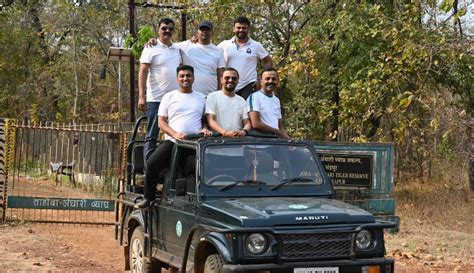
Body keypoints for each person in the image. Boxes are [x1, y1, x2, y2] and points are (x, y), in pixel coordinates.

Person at [135, 65, 212, 209]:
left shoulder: (201, 98)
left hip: (193, 143)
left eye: (188, 76)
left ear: (193, 78)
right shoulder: (169, 96)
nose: (185, 79)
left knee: (193, 170)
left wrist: (205, 129)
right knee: (152, 163)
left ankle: (194, 203)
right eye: (182, 76)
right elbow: (161, 122)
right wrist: (175, 134)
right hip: (172, 141)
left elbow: (204, 120)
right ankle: (148, 198)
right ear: (177, 79)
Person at [138, 18, 182, 161]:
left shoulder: (178, 49)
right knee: (152, 135)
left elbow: (194, 42)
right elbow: (143, 72)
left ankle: (171, 168)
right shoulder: (150, 47)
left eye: (170, 28)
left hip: (175, 100)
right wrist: (141, 96)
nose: (167, 31)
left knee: (175, 135)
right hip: (155, 99)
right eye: (164, 28)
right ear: (158, 30)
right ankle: (148, 169)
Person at [146, 20, 225, 96]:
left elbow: (221, 75)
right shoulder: (185, 46)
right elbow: (167, 44)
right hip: (190, 95)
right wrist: (154, 40)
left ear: (212, 33)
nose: (204, 32)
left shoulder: (218, 51)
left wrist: (220, 95)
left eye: (207, 30)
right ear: (197, 32)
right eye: (202, 29)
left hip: (211, 95)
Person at [218, 16, 273, 99]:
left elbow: (268, 61)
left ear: (248, 29)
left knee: (247, 111)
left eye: (244, 28)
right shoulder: (224, 44)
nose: (241, 30)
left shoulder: (256, 45)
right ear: (233, 28)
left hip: (248, 86)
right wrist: (195, 42)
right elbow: (211, 53)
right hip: (229, 84)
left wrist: (261, 79)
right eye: (238, 28)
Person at [206, 68, 252, 137]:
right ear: (221, 80)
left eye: (234, 78)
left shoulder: (242, 100)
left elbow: (247, 122)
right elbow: (210, 121)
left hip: (237, 141)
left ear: (237, 81)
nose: (230, 80)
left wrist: (244, 131)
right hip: (217, 141)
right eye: (227, 78)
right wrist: (225, 133)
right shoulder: (212, 97)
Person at [247, 68, 289, 139]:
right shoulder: (254, 97)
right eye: (267, 78)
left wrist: (290, 141)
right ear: (261, 82)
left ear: (277, 82)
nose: (270, 81)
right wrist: (277, 132)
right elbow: (256, 123)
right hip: (259, 145)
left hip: (274, 143)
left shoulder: (276, 100)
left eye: (273, 79)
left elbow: (279, 126)